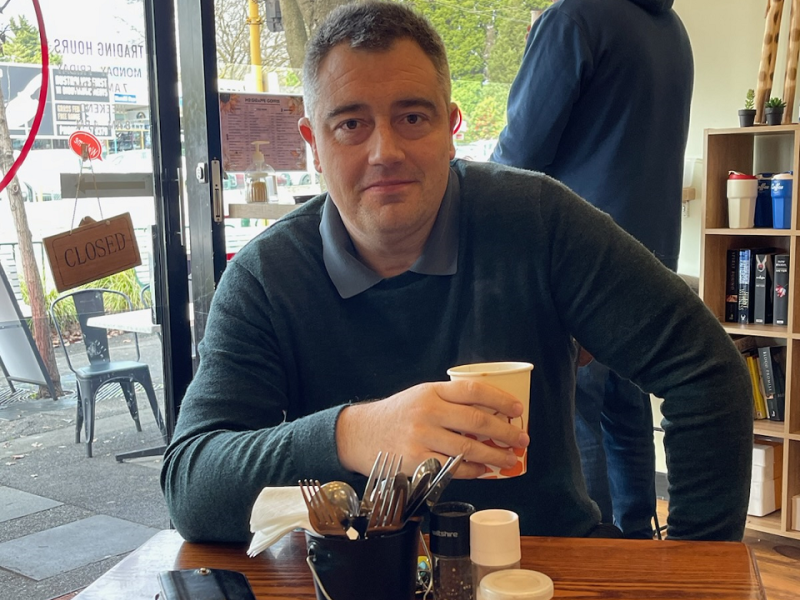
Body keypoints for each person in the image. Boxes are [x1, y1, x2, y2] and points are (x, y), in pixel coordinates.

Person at [161, 0, 750, 544]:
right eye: (350, 124)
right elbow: (192, 483)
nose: (384, 150)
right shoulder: (268, 275)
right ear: (314, 144)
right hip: (360, 574)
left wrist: (696, 569)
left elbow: (705, 369)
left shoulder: (538, 219)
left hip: (544, 565)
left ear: (451, 128)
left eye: (412, 117)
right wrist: (358, 433)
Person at [491, 0, 694, 539]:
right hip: (651, 259)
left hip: (581, 263)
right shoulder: (670, 29)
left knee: (576, 411)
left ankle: (592, 556)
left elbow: (518, 152)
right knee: (625, 411)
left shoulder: (576, 19)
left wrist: (469, 196)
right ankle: (636, 542)